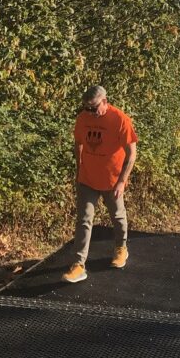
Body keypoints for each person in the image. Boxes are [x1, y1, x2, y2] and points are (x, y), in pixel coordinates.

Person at [63, 85, 138, 283]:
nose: (90, 112)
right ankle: (79, 265)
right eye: (86, 108)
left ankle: (121, 248)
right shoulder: (83, 118)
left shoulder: (120, 119)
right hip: (87, 179)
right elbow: (78, 144)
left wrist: (122, 181)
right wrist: (79, 170)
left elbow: (132, 154)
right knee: (84, 220)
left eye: (94, 108)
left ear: (105, 101)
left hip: (112, 180)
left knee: (117, 215)